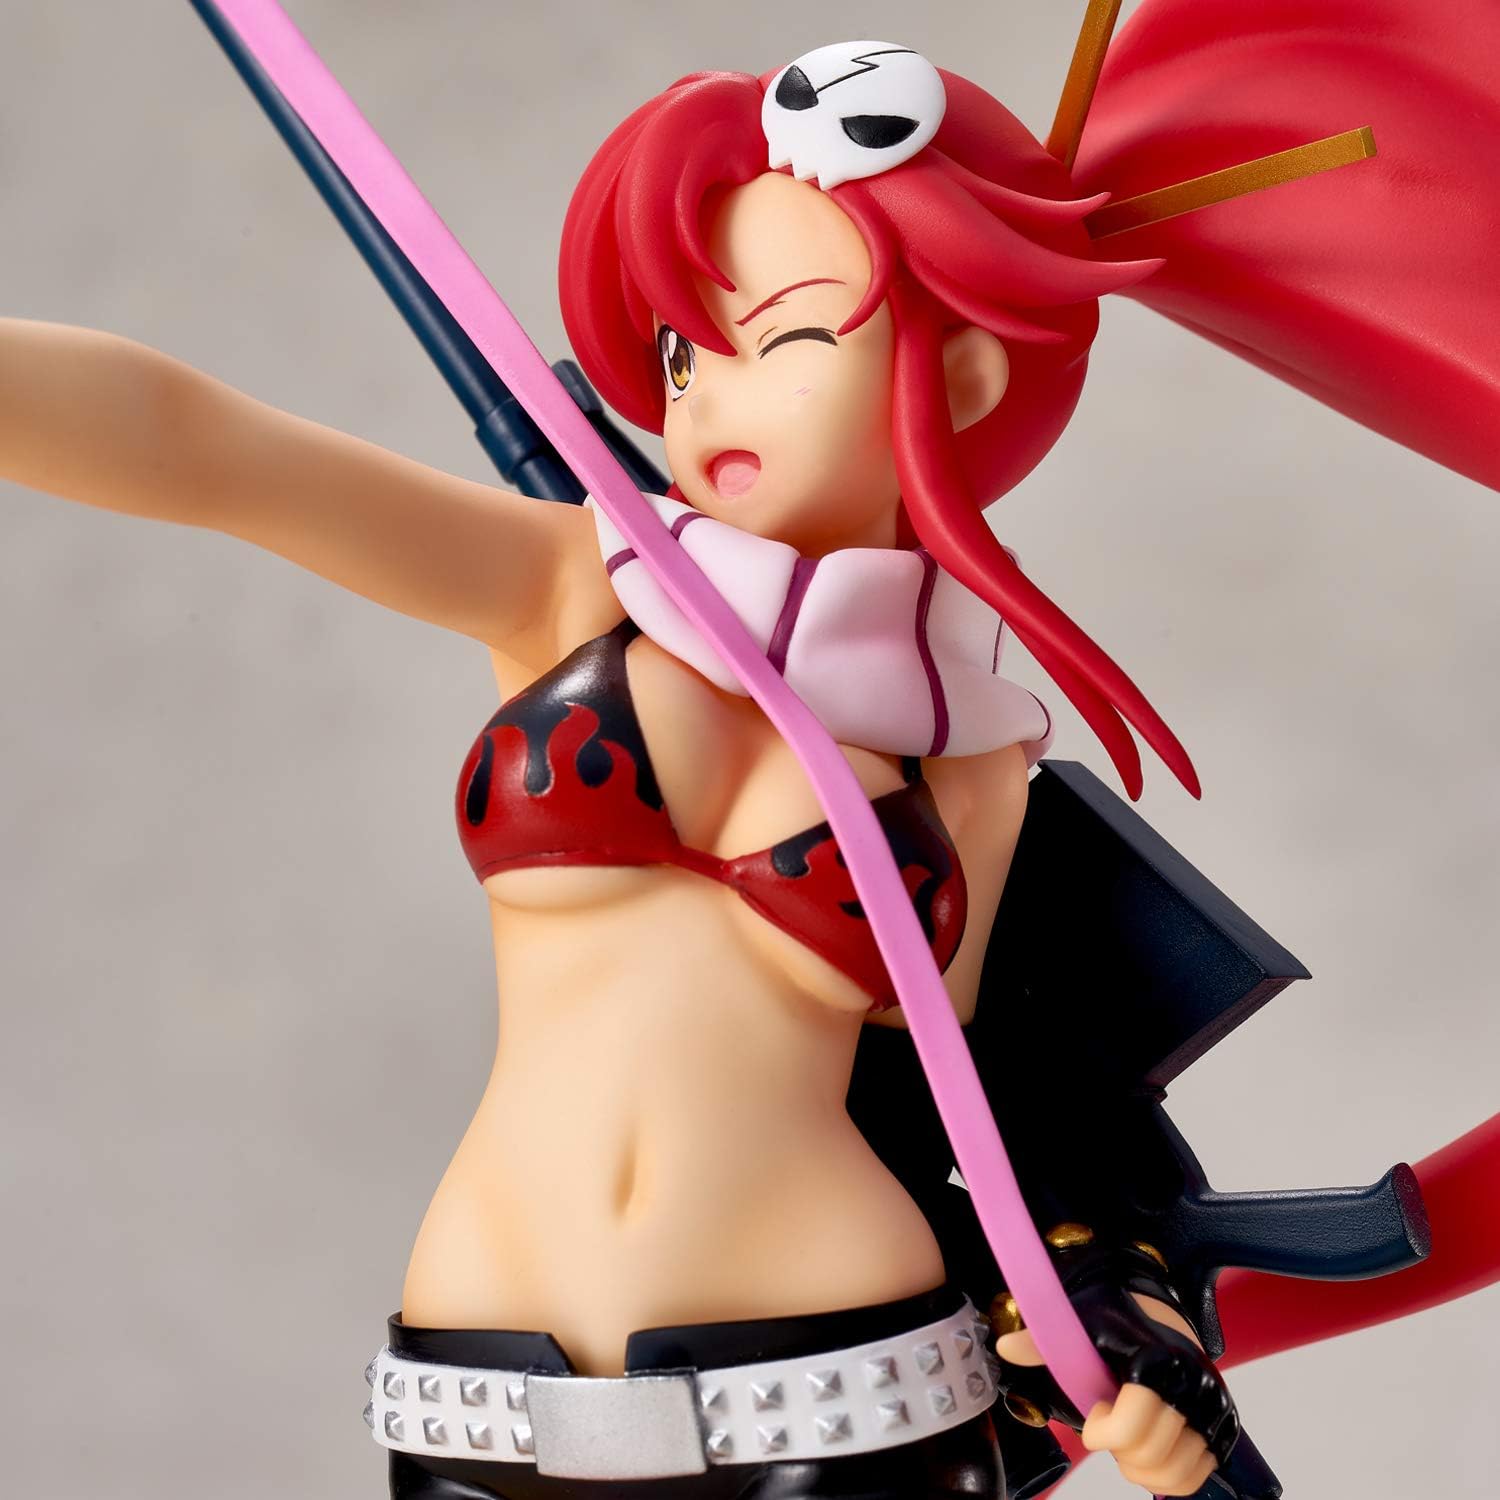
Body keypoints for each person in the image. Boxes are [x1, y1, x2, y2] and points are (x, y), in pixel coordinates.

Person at [3, 4, 1497, 1498]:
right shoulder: (575, 585)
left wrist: (1126, 1315)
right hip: (476, 1392)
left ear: (964, 378)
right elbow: (215, 453)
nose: (707, 399)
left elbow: (1009, 1114)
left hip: (839, 1402)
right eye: (683, 353)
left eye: (782, 337)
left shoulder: (969, 751)